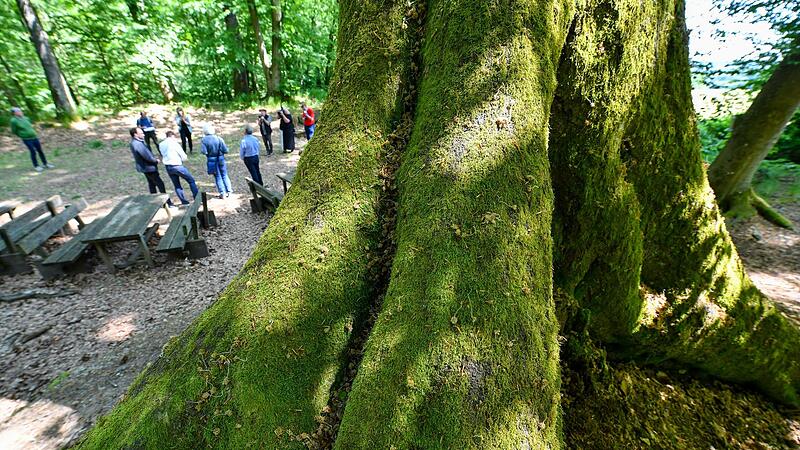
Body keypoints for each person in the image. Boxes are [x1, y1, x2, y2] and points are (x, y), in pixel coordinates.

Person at [130, 127, 172, 205]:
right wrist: (155, 160)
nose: (143, 134)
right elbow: (146, 156)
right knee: (160, 184)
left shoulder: (135, 142)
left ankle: (154, 202)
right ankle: (167, 202)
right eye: (141, 133)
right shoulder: (137, 144)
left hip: (145, 168)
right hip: (149, 168)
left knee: (152, 185)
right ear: (135, 134)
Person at [159, 131, 199, 205]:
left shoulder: (161, 144)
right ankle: (197, 197)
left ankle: (184, 201)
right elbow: (183, 156)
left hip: (168, 166)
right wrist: (184, 159)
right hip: (177, 165)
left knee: (177, 185)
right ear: (172, 136)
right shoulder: (174, 143)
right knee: (191, 181)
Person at [9, 107, 54, 172]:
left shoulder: (26, 118)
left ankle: (45, 164)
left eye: (20, 110)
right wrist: (22, 135)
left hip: (34, 137)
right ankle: (36, 166)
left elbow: (30, 126)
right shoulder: (13, 120)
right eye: (18, 111)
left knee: (40, 150)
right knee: (33, 151)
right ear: (14, 113)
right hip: (26, 139)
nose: (20, 112)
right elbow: (14, 131)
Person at [200, 124, 233, 198]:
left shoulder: (204, 140)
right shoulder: (219, 138)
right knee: (224, 174)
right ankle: (229, 191)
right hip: (221, 158)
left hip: (211, 159)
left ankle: (222, 193)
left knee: (217, 176)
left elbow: (204, 152)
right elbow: (226, 150)